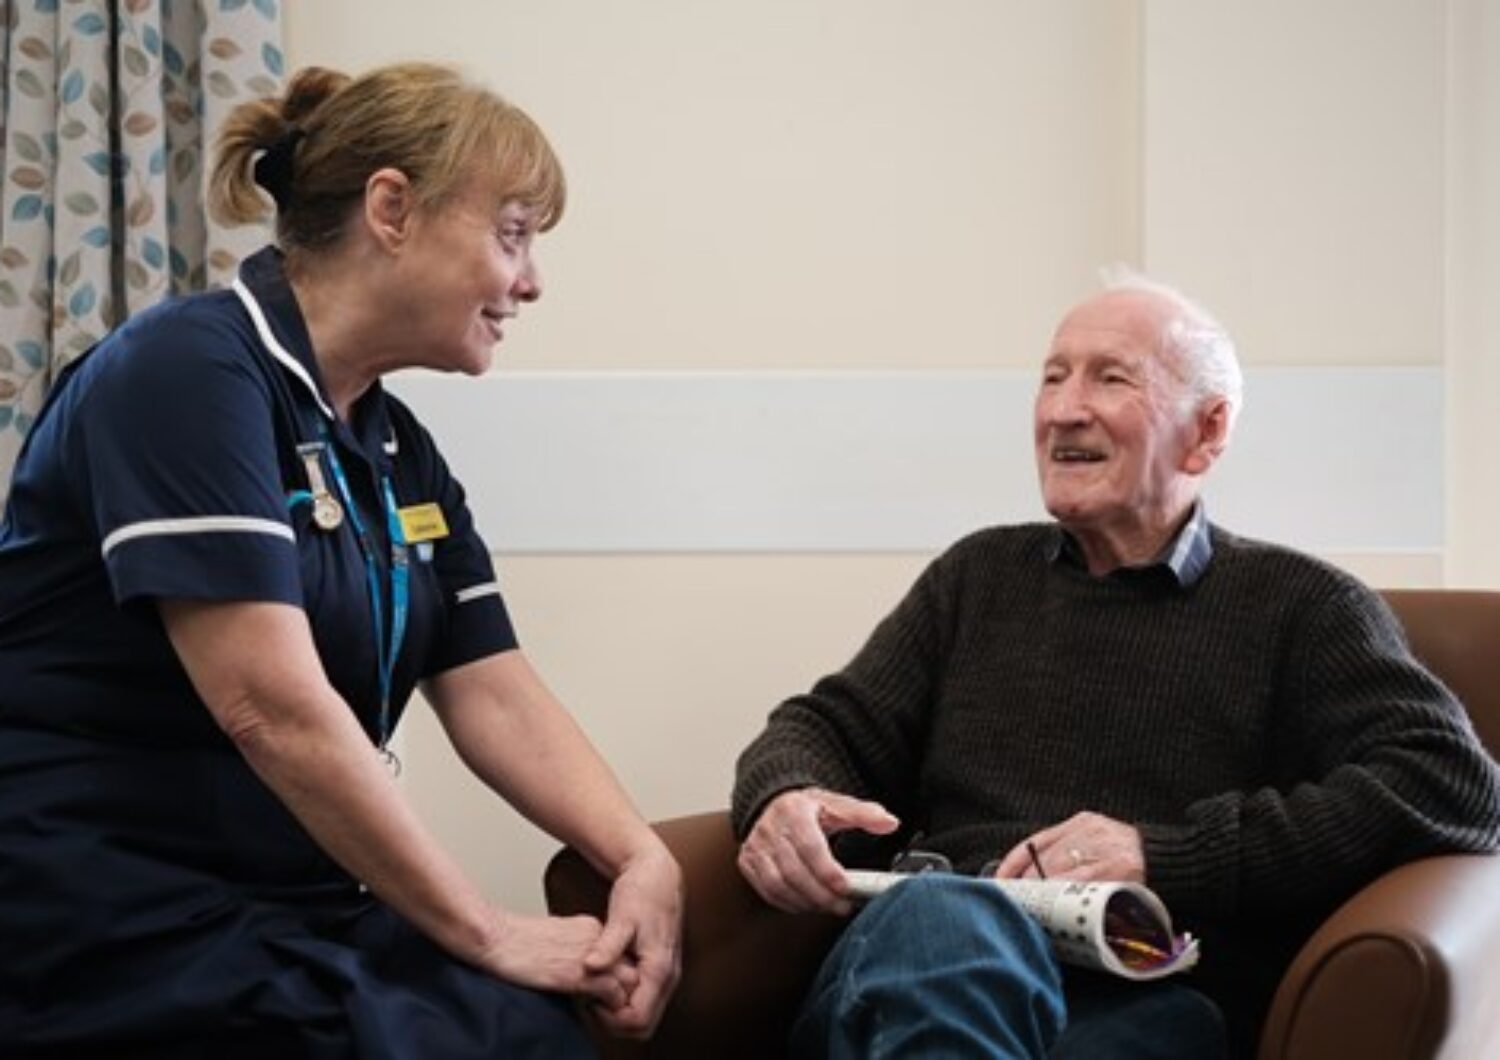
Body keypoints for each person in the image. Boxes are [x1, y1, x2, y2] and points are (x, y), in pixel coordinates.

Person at [0, 62, 680, 1058]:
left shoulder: (394, 447)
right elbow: (266, 705)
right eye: (513, 235)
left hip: (286, 898)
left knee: (531, 1035)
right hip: (108, 903)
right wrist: (490, 931)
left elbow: (492, 689)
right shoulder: (186, 372)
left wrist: (641, 855)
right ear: (393, 208)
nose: (529, 282)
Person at [730, 274, 1500, 1059]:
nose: (1064, 409)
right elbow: (823, 727)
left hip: (1146, 993)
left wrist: (1163, 856)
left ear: (1207, 431)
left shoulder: (1303, 606)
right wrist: (786, 795)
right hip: (922, 958)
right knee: (945, 916)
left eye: (1111, 377)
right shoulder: (976, 577)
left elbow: (1456, 786)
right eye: (1053, 376)